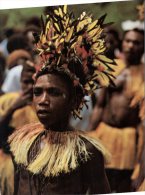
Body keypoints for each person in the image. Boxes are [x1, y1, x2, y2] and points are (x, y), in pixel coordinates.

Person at [8, 5, 117, 195]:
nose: (43, 100)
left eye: (54, 92)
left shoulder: (86, 152)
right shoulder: (22, 142)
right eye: (37, 92)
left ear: (74, 101)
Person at [88, 28, 144, 193]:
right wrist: (89, 134)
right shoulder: (111, 67)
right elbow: (100, 105)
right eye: (128, 41)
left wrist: (141, 170)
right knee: (97, 182)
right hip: (104, 132)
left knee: (122, 185)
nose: (131, 46)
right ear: (122, 42)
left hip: (128, 139)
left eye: (137, 42)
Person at [0, 61, 38, 195]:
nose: (29, 87)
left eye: (32, 82)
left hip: (33, 169)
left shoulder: (43, 107)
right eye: (25, 82)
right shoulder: (7, 101)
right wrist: (12, 108)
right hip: (7, 167)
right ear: (20, 81)